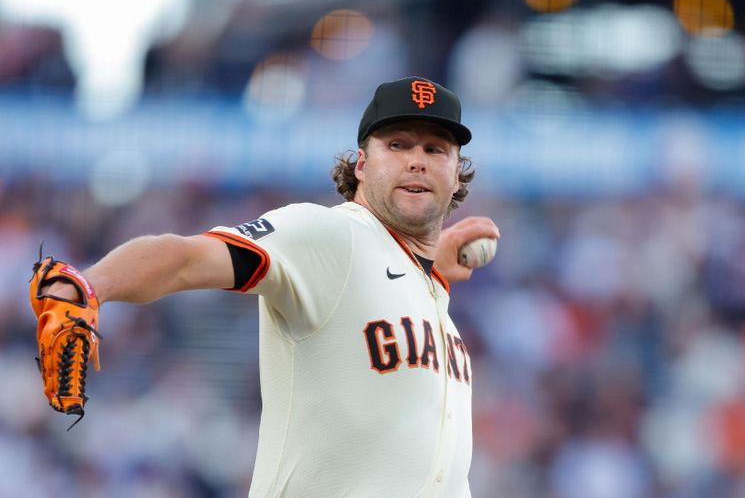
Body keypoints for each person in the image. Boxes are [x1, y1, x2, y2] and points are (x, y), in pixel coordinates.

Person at [38, 76, 499, 497]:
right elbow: (184, 258)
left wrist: (429, 267)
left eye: (436, 149)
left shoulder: (427, 289)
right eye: (398, 145)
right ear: (360, 165)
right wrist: (87, 284)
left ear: (457, 173)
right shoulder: (330, 235)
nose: (417, 161)